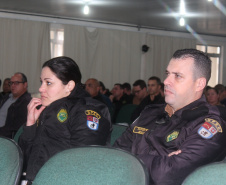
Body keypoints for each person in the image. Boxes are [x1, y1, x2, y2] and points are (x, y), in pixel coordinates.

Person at [114, 49, 226, 185]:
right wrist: (162, 159)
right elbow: (114, 156)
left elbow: (166, 175)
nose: (166, 81)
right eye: (167, 74)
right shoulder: (149, 113)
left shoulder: (210, 125)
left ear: (199, 84)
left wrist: (130, 158)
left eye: (177, 76)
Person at [19, 56, 112, 182]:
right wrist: (30, 125)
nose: (41, 88)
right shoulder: (45, 109)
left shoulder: (86, 111)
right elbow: (24, 159)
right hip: (35, 179)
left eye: (48, 83)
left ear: (69, 86)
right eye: (41, 82)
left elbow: (84, 163)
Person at [0, 73, 31, 138]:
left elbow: (14, 129)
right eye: (11, 83)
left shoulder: (26, 102)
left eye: (16, 83)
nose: (13, 86)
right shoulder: (6, 97)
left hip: (5, 137)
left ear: (25, 85)